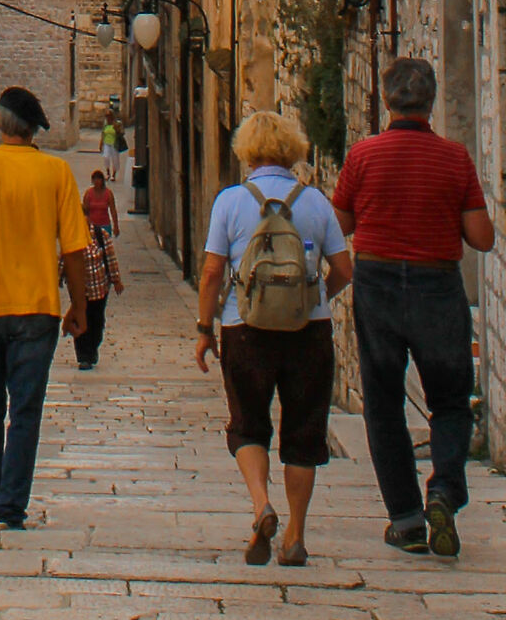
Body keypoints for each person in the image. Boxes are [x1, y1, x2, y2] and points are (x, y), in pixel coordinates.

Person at [332, 56, 495, 560]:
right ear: (430, 103)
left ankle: (405, 519)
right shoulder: (455, 158)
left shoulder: (363, 156)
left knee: (383, 404)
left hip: (378, 280)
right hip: (437, 285)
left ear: (387, 101)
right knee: (448, 399)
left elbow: (339, 224)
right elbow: (482, 239)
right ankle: (444, 491)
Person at [197, 109, 353, 569]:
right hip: (310, 330)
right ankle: (296, 535)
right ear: (293, 150)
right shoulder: (316, 202)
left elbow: (211, 273)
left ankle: (261, 504)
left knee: (247, 422)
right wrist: (317, 297)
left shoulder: (231, 201)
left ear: (246, 150)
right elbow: (343, 269)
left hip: (244, 327)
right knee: (304, 430)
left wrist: (205, 329)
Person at [0, 85, 89, 530]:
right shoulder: (57, 173)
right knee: (26, 408)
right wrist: (79, 306)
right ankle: (10, 506)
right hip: (40, 309)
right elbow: (74, 251)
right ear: (32, 131)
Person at [75, 206, 123, 369]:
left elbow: (110, 258)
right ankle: (83, 356)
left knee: (96, 322)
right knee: (81, 320)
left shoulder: (101, 235)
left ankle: (93, 348)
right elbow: (66, 259)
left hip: (99, 288)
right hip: (80, 291)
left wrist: (116, 280)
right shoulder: (72, 237)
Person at [82, 168, 119, 237]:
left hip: (105, 225)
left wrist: (116, 226)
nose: (97, 181)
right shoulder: (88, 193)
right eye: (94, 179)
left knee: (105, 247)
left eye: (99, 179)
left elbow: (113, 210)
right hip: (92, 227)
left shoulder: (108, 194)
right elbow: (85, 211)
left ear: (102, 180)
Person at [101, 118, 121, 184]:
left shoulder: (116, 124)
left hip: (114, 144)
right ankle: (108, 173)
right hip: (106, 143)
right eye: (107, 116)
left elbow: (120, 133)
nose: (108, 118)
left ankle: (114, 175)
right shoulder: (105, 125)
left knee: (115, 159)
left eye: (109, 116)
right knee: (106, 157)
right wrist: (101, 143)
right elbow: (103, 134)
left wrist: (117, 128)